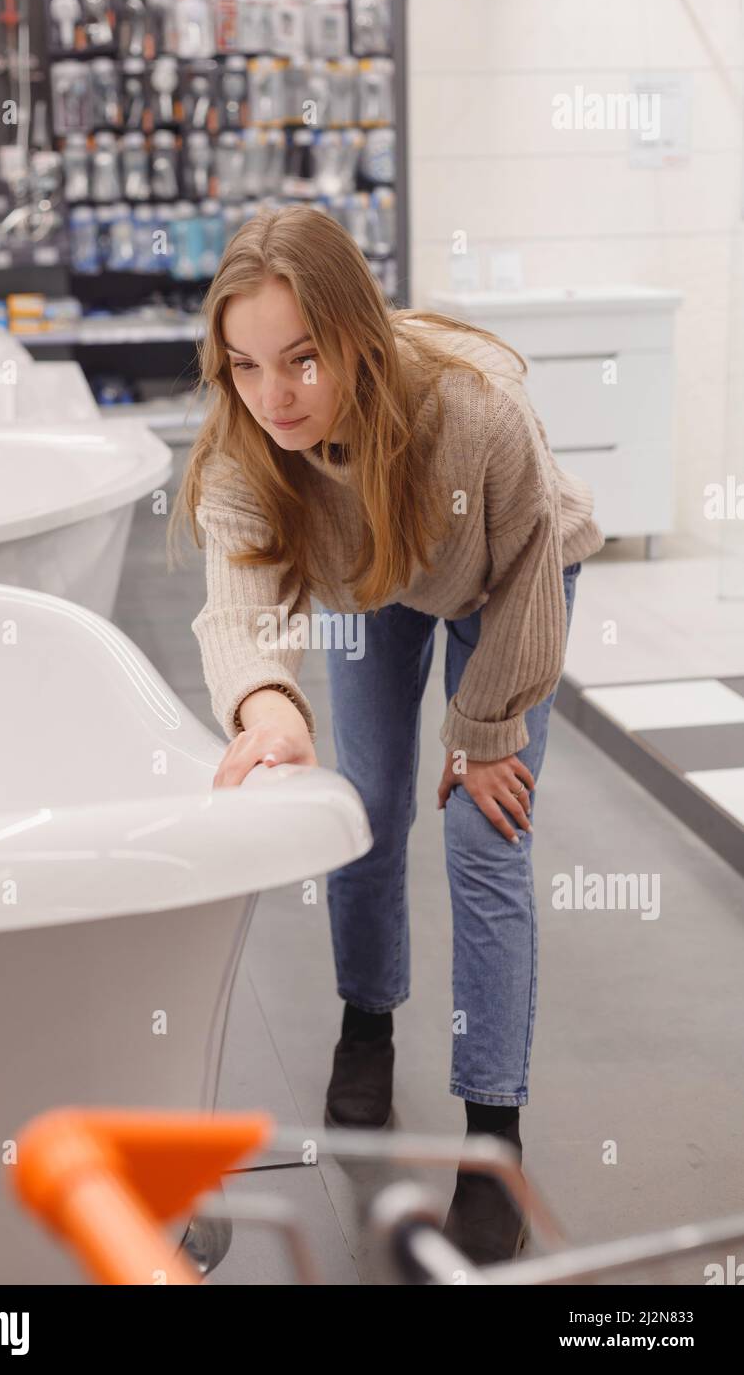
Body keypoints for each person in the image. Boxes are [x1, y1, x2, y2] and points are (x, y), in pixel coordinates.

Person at [166, 204, 605, 1266]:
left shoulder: (473, 410)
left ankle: (489, 1138)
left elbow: (533, 570)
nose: (274, 395)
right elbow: (241, 613)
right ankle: (366, 1023)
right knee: (364, 804)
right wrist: (266, 706)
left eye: (303, 359)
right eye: (245, 365)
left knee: (481, 834)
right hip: (374, 577)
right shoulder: (246, 441)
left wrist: (483, 728)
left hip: (509, 582)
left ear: (355, 337)